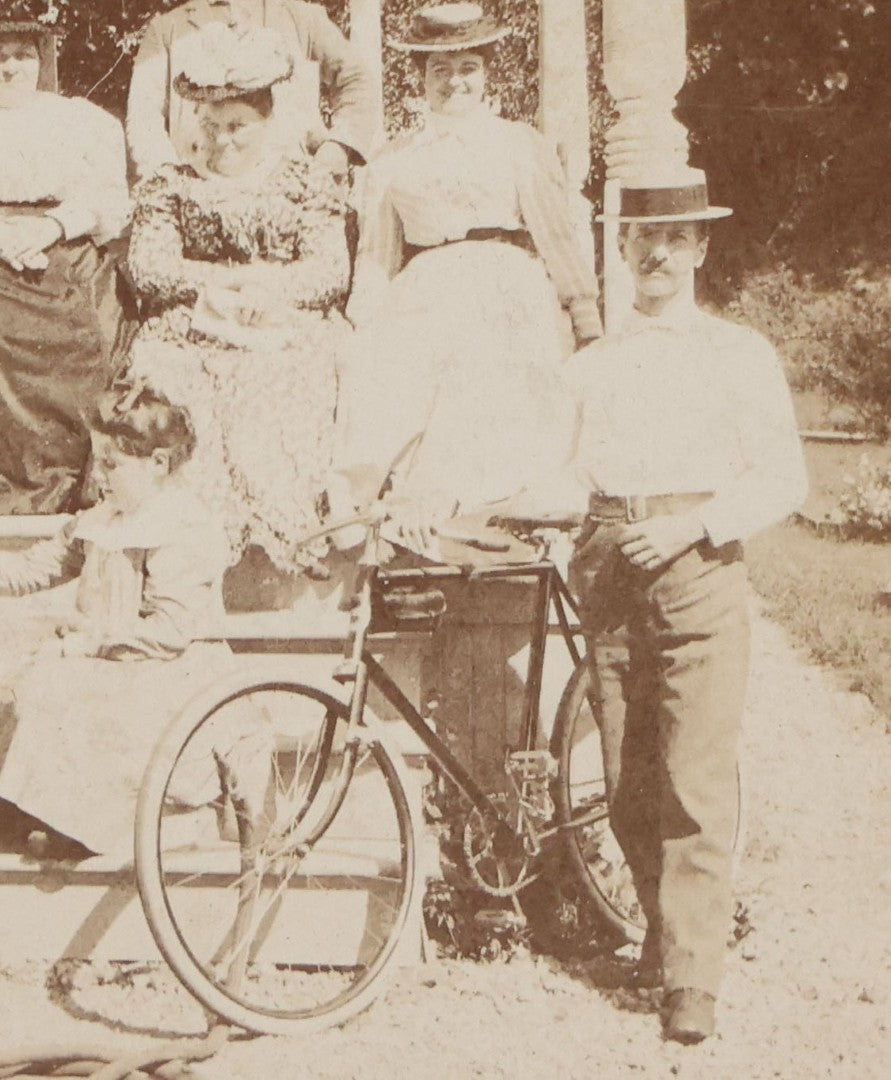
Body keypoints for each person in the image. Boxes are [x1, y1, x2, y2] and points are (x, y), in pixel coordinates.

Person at [507, 168, 807, 1042]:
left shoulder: (738, 354)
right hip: (605, 566)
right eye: (644, 238)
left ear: (702, 247)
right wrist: (507, 505)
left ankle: (692, 986)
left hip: (699, 570)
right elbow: (567, 471)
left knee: (691, 778)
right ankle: (660, 940)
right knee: (629, 778)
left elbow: (781, 478)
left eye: (677, 237)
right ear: (623, 248)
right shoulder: (590, 366)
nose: (659, 253)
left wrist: (690, 528)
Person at [333, 2, 602, 553]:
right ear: (420, 79)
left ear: (486, 73)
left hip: (509, 286)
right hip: (425, 288)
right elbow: (378, 258)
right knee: (388, 377)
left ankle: (489, 518)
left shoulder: (518, 144)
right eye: (439, 70)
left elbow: (556, 237)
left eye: (467, 68)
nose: (454, 81)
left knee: (494, 382)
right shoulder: (393, 159)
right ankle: (373, 515)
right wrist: (361, 324)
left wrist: (584, 314)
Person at [126, 23, 350, 578]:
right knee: (173, 378)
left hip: (282, 321)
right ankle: (191, 545)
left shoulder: (302, 182)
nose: (224, 140)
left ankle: (283, 529)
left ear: (267, 122)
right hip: (190, 325)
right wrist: (218, 284)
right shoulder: (172, 185)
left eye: (239, 126)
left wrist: (266, 288)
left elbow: (329, 270)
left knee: (282, 373)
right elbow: (150, 267)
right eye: (213, 126)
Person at [0, 382, 233, 858]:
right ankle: (31, 812)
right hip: (110, 663)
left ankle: (78, 822)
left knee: (56, 685)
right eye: (98, 462)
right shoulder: (105, 518)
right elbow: (35, 567)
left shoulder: (181, 526)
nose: (99, 477)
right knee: (28, 675)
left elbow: (170, 632)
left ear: (159, 465)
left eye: (112, 465)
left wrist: (91, 643)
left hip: (168, 677)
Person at [0, 20, 133, 514]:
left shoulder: (79, 121)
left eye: (22, 54)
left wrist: (50, 227)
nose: (10, 67)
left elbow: (109, 200)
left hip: (66, 249)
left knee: (84, 343)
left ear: (41, 57)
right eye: (0, 55)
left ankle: (74, 488)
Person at [126, 0, 377, 183]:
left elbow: (356, 79)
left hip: (291, 192)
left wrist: (339, 146)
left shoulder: (302, 18)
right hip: (199, 193)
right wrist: (166, 174)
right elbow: (143, 114)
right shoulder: (167, 29)